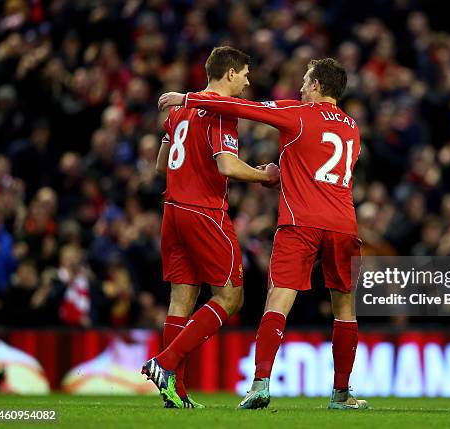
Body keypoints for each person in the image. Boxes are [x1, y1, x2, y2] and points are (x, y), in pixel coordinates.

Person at [158, 58, 367, 410]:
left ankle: (260, 384)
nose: (299, 87)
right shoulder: (353, 128)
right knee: (345, 309)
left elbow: (242, 106)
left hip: (300, 222)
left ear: (317, 86)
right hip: (344, 223)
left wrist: (188, 98)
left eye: (304, 81)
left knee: (277, 302)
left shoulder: (298, 113)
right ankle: (341, 394)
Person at [141, 46, 280, 409]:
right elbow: (228, 167)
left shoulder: (179, 110)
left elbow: (161, 165)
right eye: (246, 74)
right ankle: (164, 363)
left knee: (181, 300)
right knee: (231, 297)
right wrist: (264, 176)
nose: (249, 82)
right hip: (203, 210)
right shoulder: (221, 113)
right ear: (230, 73)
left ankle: (175, 392)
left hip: (172, 209)